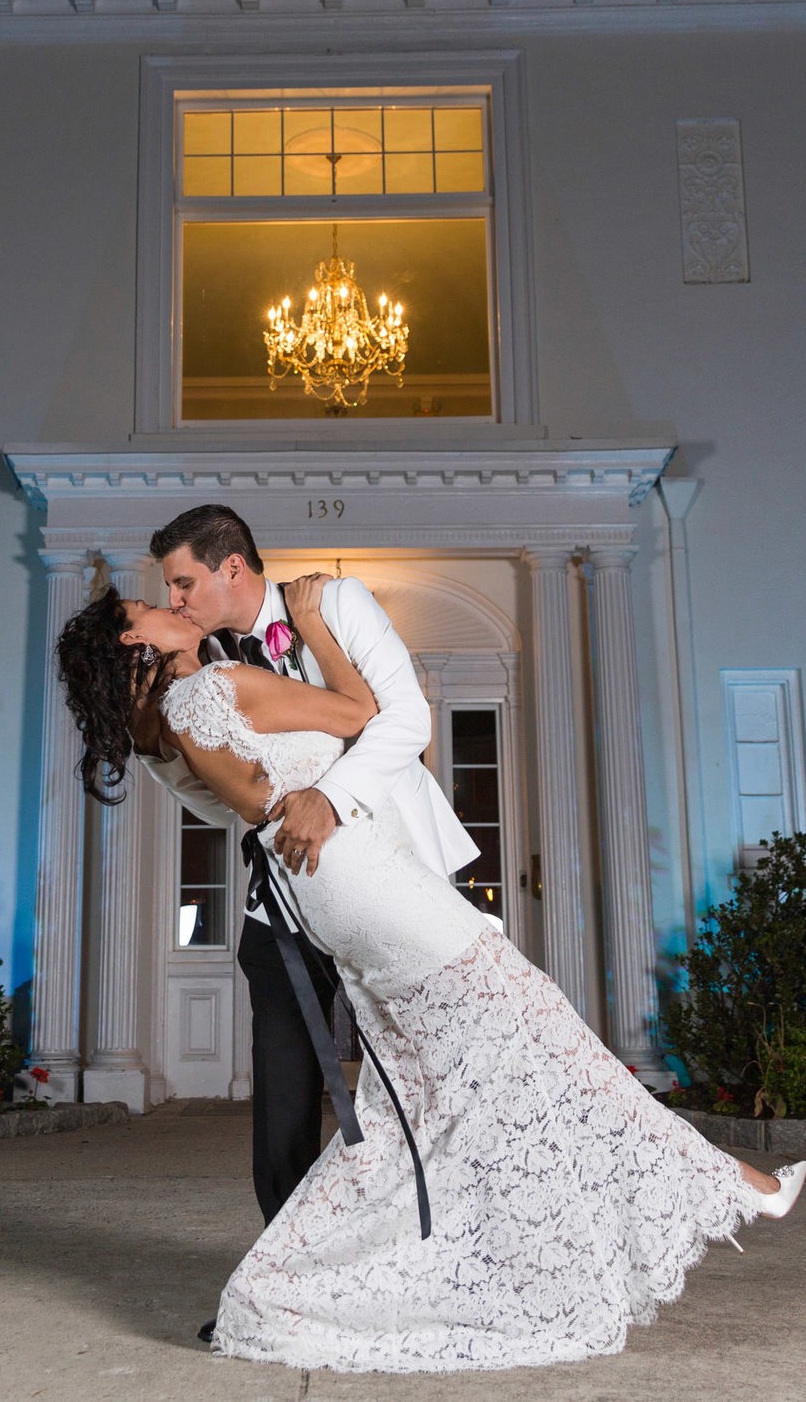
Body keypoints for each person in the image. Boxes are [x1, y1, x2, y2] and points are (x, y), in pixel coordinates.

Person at [54, 558, 806, 1374]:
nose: (169, 603)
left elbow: (257, 795)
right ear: (131, 642)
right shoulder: (217, 688)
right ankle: (732, 1182)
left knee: (426, 1089)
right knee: (537, 1024)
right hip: (364, 878)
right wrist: (316, 629)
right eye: (149, 605)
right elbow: (361, 712)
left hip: (326, 885)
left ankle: (293, 1281)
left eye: (173, 588)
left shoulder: (169, 723)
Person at [137, 504, 476, 1230]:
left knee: (420, 1063)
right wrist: (159, 752)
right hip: (284, 891)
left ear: (232, 567)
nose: (175, 600)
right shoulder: (201, 663)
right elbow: (225, 802)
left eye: (183, 582)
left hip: (384, 870)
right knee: (283, 1077)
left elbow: (405, 717)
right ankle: (286, 1255)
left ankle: (431, 1233)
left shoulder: (334, 603)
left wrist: (330, 797)